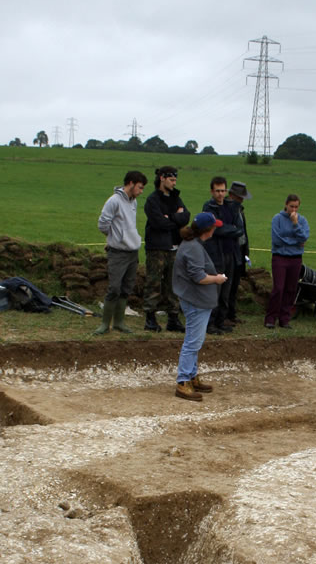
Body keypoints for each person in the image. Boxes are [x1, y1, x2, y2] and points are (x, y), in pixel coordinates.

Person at [171, 212, 227, 401]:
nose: (215, 229)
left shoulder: (192, 244)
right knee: (193, 342)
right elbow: (199, 277)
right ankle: (183, 381)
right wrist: (217, 279)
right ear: (207, 230)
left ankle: (192, 376)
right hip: (196, 301)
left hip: (195, 299)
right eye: (213, 227)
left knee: (194, 340)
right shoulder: (193, 248)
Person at [95, 170, 147, 335]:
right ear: (130, 183)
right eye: (139, 187)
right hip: (117, 253)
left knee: (126, 288)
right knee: (114, 288)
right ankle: (105, 324)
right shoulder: (114, 201)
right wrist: (114, 238)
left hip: (133, 251)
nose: (141, 191)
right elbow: (103, 224)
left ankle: (119, 322)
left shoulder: (134, 202)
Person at [143, 165, 190, 333]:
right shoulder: (152, 200)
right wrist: (175, 219)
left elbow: (186, 217)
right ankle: (150, 317)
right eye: (171, 179)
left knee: (173, 283)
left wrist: (170, 217)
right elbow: (158, 223)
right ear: (162, 178)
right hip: (156, 247)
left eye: (175, 180)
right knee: (154, 281)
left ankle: (173, 318)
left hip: (174, 246)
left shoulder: (176, 198)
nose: (174, 183)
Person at [202, 176, 242, 334]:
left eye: (223, 190)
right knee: (215, 290)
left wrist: (226, 228)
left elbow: (239, 229)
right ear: (212, 191)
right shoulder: (209, 207)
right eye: (217, 191)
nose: (220, 194)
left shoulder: (232, 207)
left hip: (231, 253)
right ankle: (209, 322)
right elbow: (214, 228)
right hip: (215, 254)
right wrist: (229, 229)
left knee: (226, 289)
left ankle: (221, 320)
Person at [265, 195, 310, 329]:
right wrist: (295, 243)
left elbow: (304, 237)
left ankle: (284, 319)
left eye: (296, 207)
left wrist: (295, 224)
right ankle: (271, 318)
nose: (293, 209)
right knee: (278, 288)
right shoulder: (277, 219)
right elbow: (277, 240)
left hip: (295, 259)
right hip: (280, 257)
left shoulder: (302, 220)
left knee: (291, 289)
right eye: (291, 206)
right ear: (286, 205)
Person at [226, 181, 252, 323]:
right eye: (239, 197)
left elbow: (244, 233)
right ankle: (224, 315)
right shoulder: (226, 210)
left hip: (240, 250)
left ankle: (231, 314)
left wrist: (246, 251)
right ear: (231, 195)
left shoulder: (240, 210)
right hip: (230, 250)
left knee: (235, 284)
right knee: (227, 285)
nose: (241, 200)